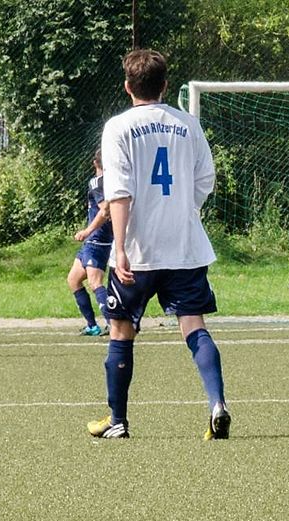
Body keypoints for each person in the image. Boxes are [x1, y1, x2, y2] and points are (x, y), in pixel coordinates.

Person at [88, 48, 230, 440]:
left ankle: (117, 421)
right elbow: (205, 178)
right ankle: (217, 403)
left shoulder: (118, 127)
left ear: (127, 86)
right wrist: (184, 210)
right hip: (185, 246)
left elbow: (119, 192)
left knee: (120, 330)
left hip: (139, 250)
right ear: (165, 85)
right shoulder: (189, 124)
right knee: (194, 325)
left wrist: (119, 247)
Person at [67, 148, 111, 336]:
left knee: (95, 282)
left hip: (97, 239)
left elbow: (105, 210)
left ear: (95, 163)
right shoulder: (116, 181)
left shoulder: (97, 181)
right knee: (73, 279)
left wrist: (87, 231)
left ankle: (113, 322)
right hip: (94, 241)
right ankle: (92, 325)